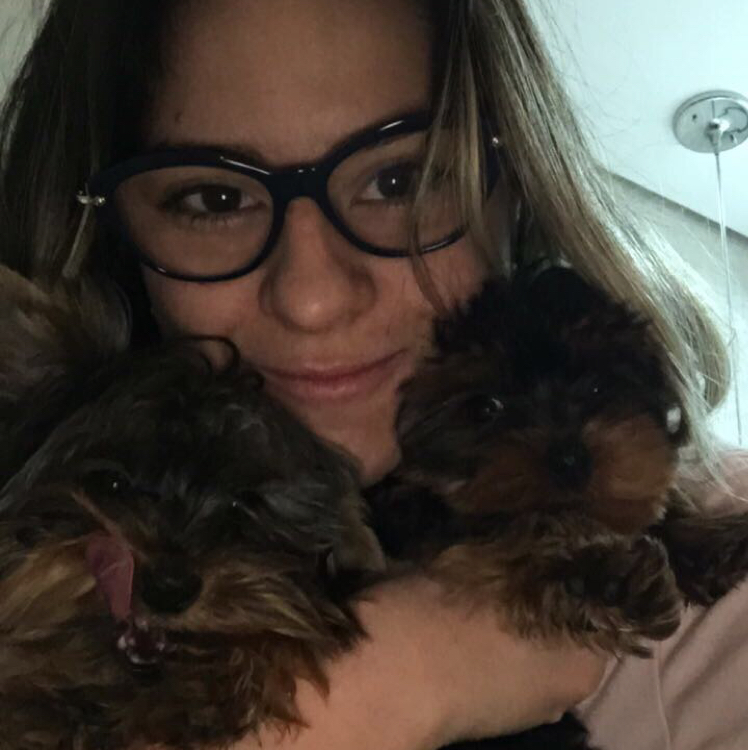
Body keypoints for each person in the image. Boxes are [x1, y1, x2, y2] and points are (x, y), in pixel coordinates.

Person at [0, 1, 746, 748]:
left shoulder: (718, 594)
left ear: (517, 184)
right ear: (106, 226)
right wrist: (390, 687)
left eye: (398, 180)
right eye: (215, 199)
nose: (314, 298)